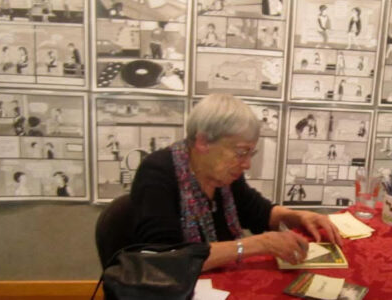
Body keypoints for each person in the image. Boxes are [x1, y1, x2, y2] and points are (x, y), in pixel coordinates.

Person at [125, 94, 342, 272]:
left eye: (250, 153)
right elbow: (163, 259)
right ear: (202, 142)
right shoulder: (157, 173)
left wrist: (297, 216)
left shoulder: (223, 174)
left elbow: (257, 211)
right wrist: (258, 244)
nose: (247, 164)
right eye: (240, 152)